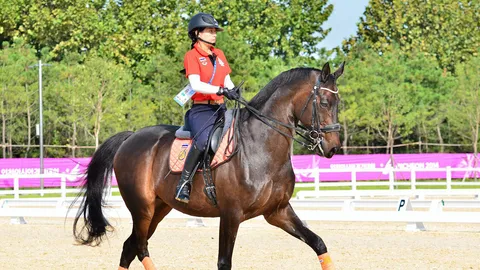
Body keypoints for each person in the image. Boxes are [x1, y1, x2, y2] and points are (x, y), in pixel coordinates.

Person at [175, 12, 239, 203]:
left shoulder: (219, 54)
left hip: (220, 108)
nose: (214, 34)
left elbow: (227, 79)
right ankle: (183, 184)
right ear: (197, 33)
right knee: (203, 142)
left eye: (214, 31)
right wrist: (221, 90)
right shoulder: (191, 56)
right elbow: (195, 84)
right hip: (201, 110)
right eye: (210, 31)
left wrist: (233, 91)